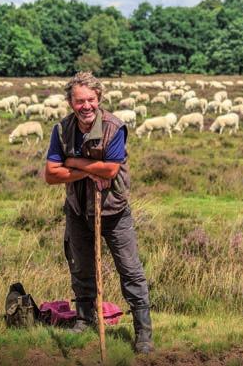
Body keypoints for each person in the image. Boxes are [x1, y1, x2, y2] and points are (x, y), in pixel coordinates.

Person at [44, 72, 154, 354]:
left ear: (99, 99)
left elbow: (110, 170)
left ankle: (143, 332)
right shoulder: (62, 129)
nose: (86, 106)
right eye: (79, 101)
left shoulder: (114, 127)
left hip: (113, 211)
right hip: (78, 211)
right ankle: (84, 318)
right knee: (81, 267)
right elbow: (51, 174)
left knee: (130, 270)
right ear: (70, 103)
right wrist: (88, 173)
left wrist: (74, 162)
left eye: (91, 100)